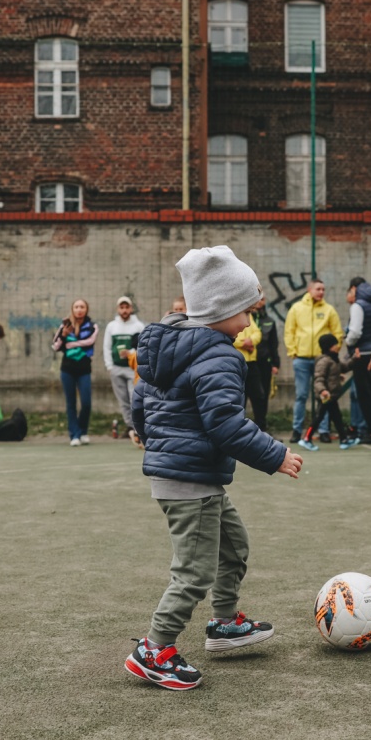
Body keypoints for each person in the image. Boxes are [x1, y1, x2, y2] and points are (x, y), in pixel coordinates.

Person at [126, 245, 303, 691]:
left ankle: (224, 622)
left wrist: (152, 438)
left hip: (185, 473)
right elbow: (226, 424)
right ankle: (154, 649)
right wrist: (276, 456)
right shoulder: (220, 356)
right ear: (221, 309)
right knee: (193, 572)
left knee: (233, 545)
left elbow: (140, 400)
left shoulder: (170, 346)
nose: (248, 323)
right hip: (190, 481)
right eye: (245, 312)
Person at [283, 279, 344, 442]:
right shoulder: (296, 308)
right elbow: (289, 331)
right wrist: (293, 352)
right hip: (301, 359)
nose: (321, 292)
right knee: (301, 396)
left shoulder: (329, 310)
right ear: (309, 290)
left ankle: (323, 431)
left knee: (323, 396)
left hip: (322, 360)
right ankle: (297, 430)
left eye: (323, 289)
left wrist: (333, 353)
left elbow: (338, 333)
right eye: (318, 289)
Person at [298, 333, 361, 451]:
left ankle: (344, 440)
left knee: (337, 418)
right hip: (326, 396)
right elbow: (318, 378)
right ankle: (306, 438)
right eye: (334, 344)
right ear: (329, 347)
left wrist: (354, 359)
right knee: (319, 417)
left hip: (332, 396)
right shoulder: (324, 361)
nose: (337, 346)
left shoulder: (334, 359)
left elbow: (344, 367)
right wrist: (323, 390)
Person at [344, 277, 371, 443]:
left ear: (354, 289)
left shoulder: (358, 306)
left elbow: (355, 331)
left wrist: (348, 342)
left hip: (361, 354)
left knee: (364, 394)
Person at [52, 299, 99, 446]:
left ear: (86, 309)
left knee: (86, 403)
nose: (79, 309)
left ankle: (83, 431)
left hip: (84, 369)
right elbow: (55, 346)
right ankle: (75, 434)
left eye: (82, 307)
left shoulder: (92, 326)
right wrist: (64, 335)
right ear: (72, 309)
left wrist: (71, 343)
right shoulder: (64, 326)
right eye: (76, 307)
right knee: (70, 403)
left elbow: (89, 341)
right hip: (67, 369)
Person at [103, 296, 145, 437]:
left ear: (131, 309)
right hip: (116, 368)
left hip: (133, 369)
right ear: (118, 309)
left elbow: (142, 346)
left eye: (127, 307)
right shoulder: (111, 326)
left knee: (134, 398)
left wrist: (130, 353)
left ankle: (138, 428)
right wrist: (109, 366)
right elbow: (107, 347)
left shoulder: (138, 326)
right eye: (122, 307)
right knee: (123, 400)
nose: (124, 310)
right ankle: (129, 427)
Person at [248, 296, 280, 433]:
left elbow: (273, 345)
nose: (259, 302)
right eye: (257, 299)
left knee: (262, 396)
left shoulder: (269, 321)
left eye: (262, 299)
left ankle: (261, 427)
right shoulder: (246, 318)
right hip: (249, 362)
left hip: (264, 363)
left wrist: (275, 363)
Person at [233, 299, 265, 428]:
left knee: (259, 396)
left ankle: (261, 427)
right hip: (237, 362)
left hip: (251, 363)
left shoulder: (248, 315)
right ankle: (239, 428)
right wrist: (243, 344)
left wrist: (251, 341)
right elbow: (230, 335)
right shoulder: (231, 315)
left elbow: (258, 333)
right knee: (241, 398)